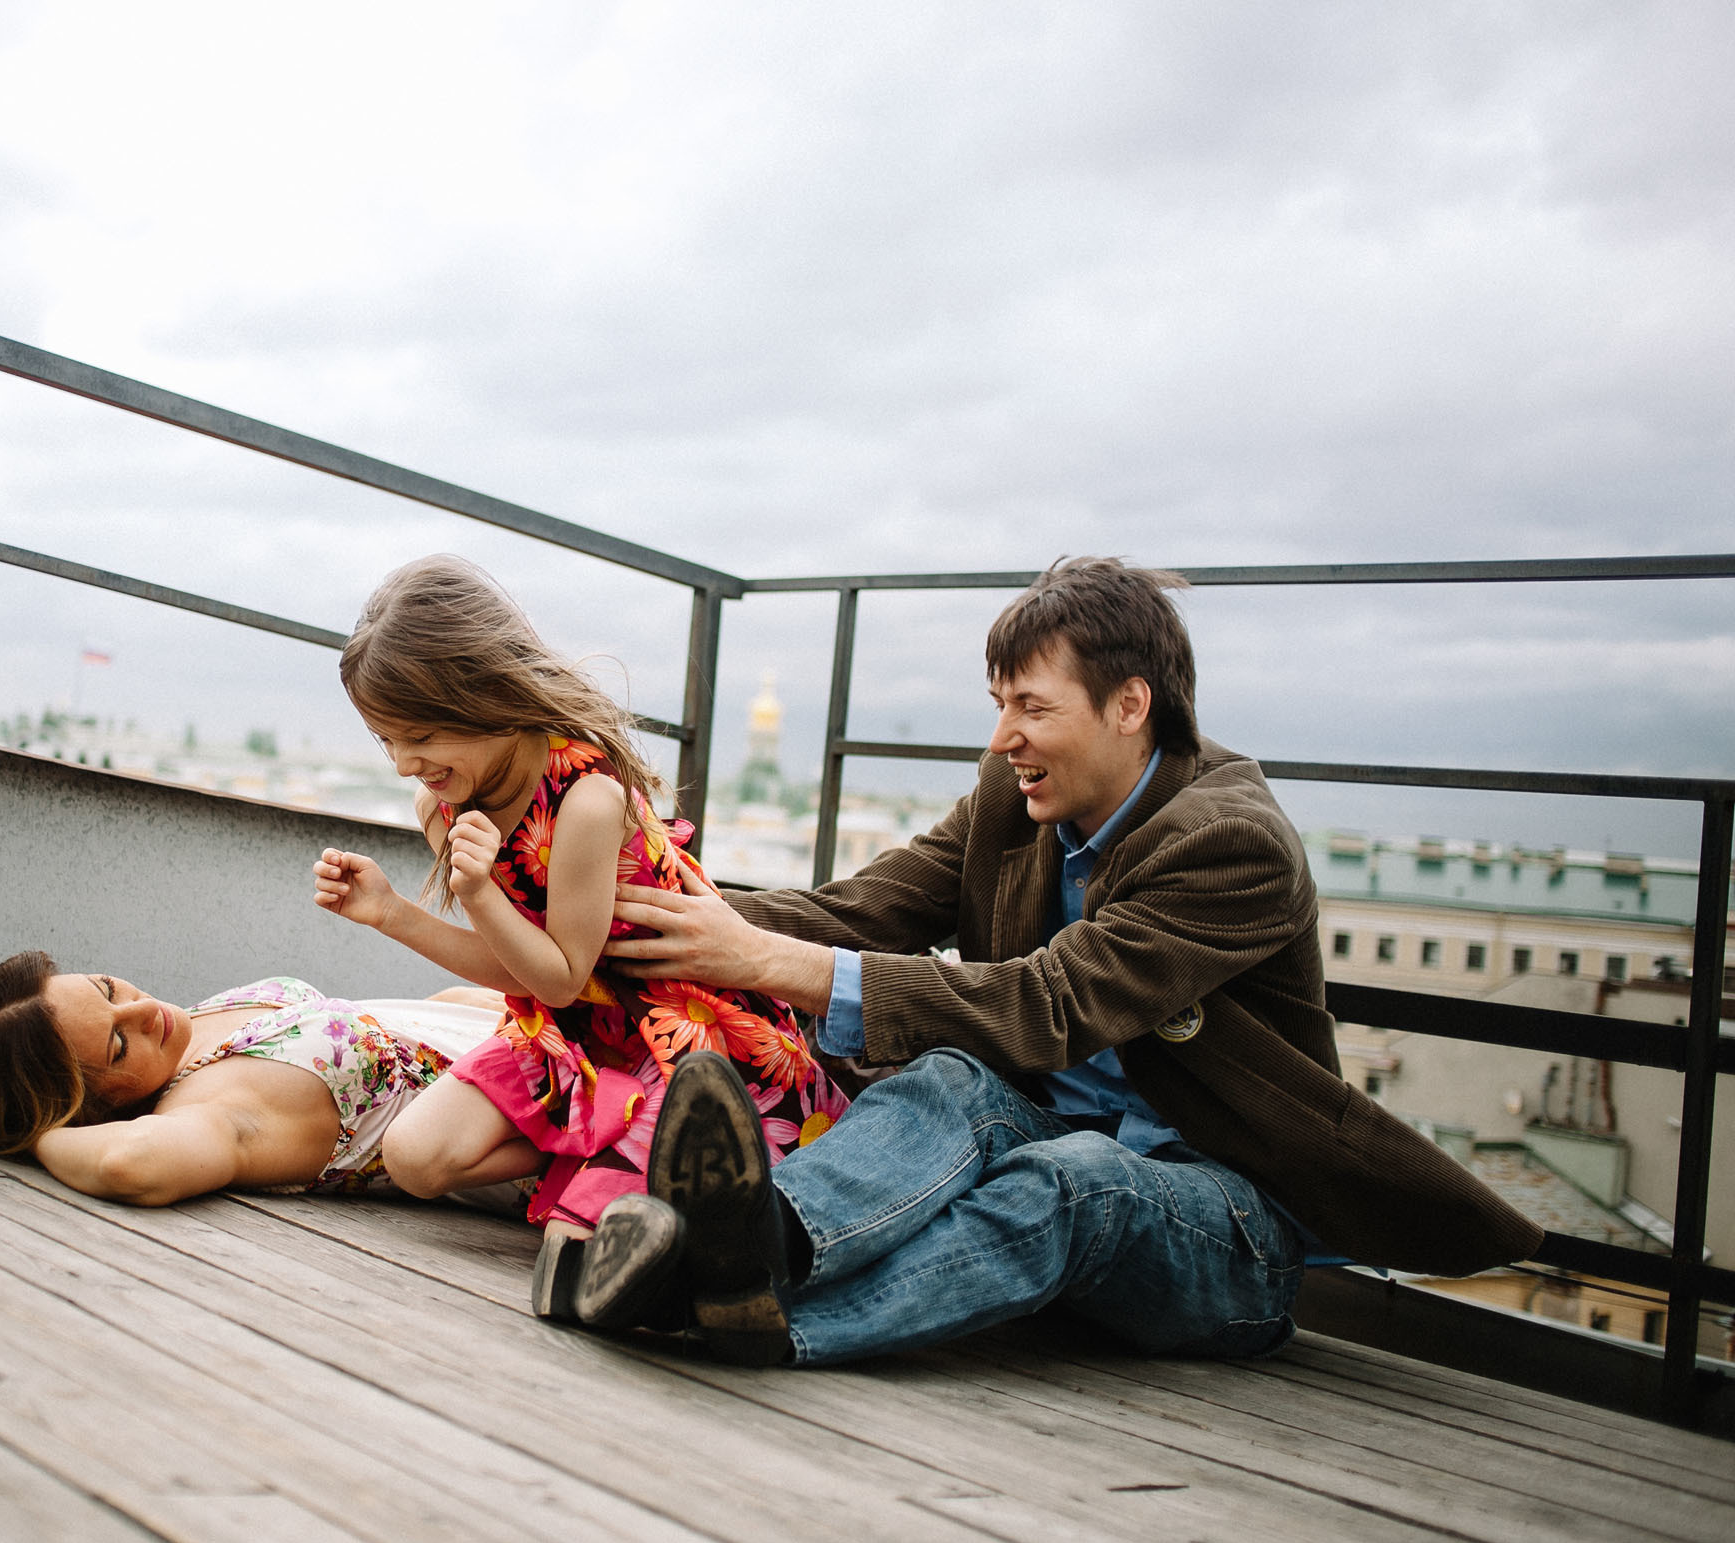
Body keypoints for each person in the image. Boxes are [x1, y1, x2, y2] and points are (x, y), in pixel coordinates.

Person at [575, 556, 1541, 1366]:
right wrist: (646, 912)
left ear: (1130, 705)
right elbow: (859, 911)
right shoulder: (1015, 795)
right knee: (950, 1080)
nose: (1003, 740)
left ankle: (758, 1324)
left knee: (1080, 1177)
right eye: (999, 705)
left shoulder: (1230, 844)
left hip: (1222, 1226)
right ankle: (731, 1248)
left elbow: (1050, 1004)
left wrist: (766, 962)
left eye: (1030, 707)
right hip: (1041, 1136)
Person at [311, 554, 849, 1317]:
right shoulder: (446, 807)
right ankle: (594, 1145)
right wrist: (391, 912)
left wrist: (474, 892)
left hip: (679, 1033)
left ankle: (613, 1169)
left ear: (489, 694)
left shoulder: (588, 799)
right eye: (385, 741)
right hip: (569, 1035)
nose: (404, 764)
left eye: (421, 735)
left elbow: (561, 972)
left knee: (582, 1243)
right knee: (414, 1156)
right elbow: (520, 976)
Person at [0, 950, 508, 1205]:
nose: (144, 1011)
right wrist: (41, 1133)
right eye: (120, 1045)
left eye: (109, 990)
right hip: (559, 1115)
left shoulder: (188, 1035)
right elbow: (132, 1163)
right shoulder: (212, 1108)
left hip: (542, 1035)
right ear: (89, 1107)